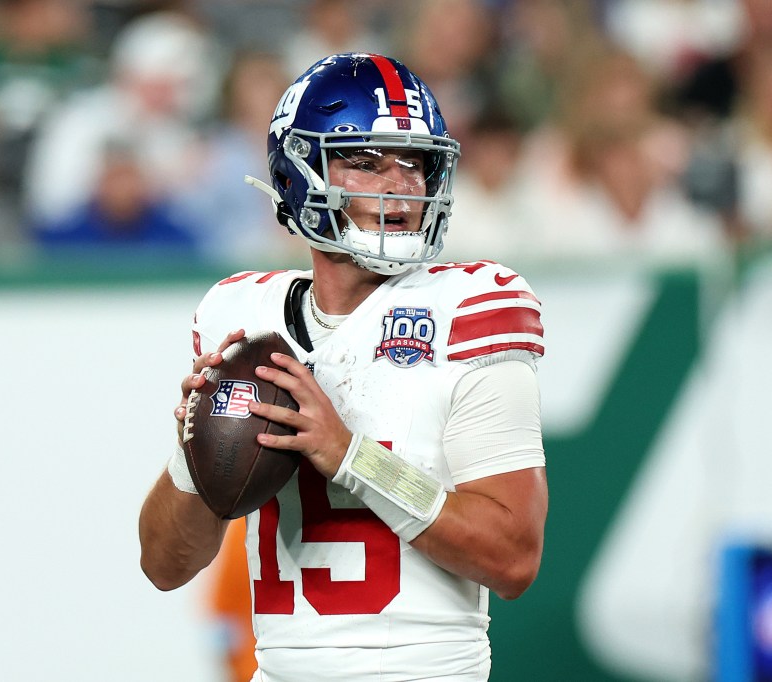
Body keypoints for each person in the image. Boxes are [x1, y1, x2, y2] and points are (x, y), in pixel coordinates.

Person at [139, 53, 548, 681]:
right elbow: (163, 566)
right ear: (299, 172)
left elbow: (514, 557)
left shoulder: (470, 306)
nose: (402, 185)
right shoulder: (238, 313)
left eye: (415, 162)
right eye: (365, 160)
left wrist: (353, 456)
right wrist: (193, 456)